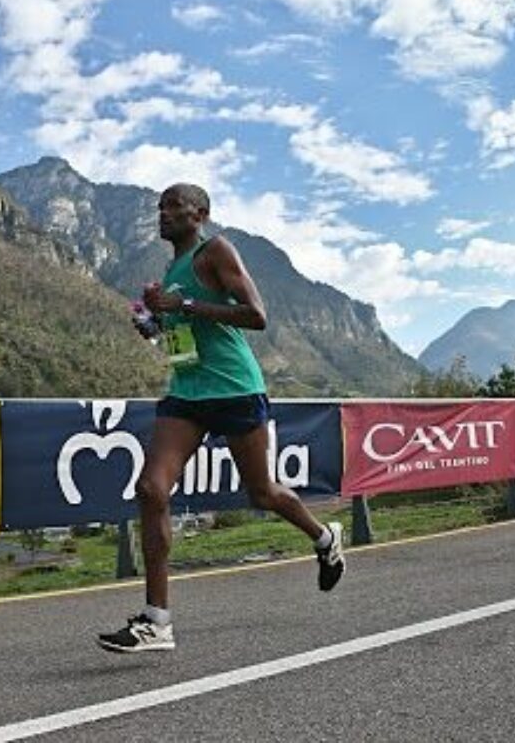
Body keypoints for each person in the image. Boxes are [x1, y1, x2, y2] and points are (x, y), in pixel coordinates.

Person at [97, 183, 345, 654]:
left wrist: (183, 305)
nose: (164, 213)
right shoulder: (171, 270)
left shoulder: (217, 250)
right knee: (151, 490)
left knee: (262, 492)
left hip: (234, 388)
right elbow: (181, 332)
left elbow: (256, 315)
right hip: (187, 391)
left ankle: (323, 534)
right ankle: (157, 622)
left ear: (201, 213)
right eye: (160, 208)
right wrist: (153, 324)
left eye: (175, 206)